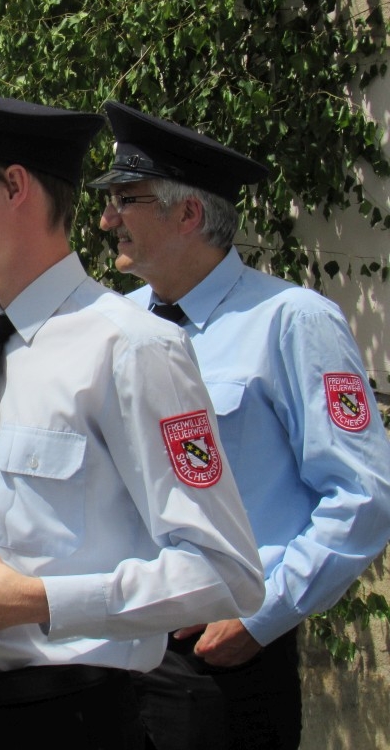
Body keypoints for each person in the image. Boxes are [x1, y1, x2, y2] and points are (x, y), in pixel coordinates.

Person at [0, 70, 266, 749]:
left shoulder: (132, 347)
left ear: (15, 187)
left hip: (69, 723)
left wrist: (35, 602)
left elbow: (227, 575)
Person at [90, 101, 390, 750]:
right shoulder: (116, 324)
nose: (107, 219)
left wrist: (265, 612)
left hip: (222, 661)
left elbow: (364, 495)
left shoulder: (292, 320)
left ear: (189, 213)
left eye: (125, 200)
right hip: (117, 654)